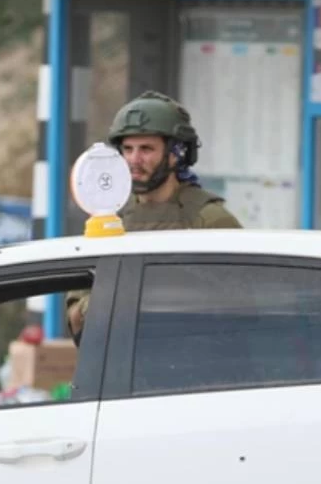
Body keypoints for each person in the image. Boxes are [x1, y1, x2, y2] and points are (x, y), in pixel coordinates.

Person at [65, 90, 242, 343]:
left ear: (176, 153)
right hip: (124, 356)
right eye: (128, 149)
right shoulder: (110, 218)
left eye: (146, 149)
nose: (134, 160)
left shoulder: (209, 220)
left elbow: (240, 306)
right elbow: (77, 315)